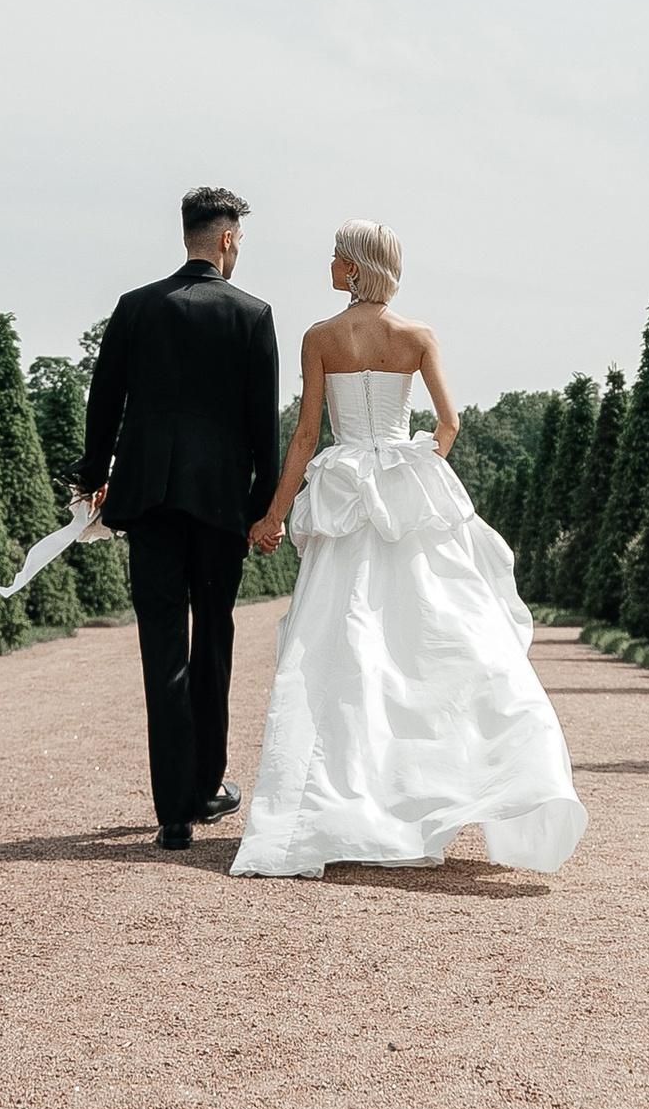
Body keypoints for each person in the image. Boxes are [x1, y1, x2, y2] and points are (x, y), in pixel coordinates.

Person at [229, 217, 588, 881]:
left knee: (337, 653)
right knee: (427, 643)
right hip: (402, 483)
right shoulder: (417, 336)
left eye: (338, 256)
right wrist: (422, 465)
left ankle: (339, 807)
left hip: (342, 494)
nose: (330, 263)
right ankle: (425, 793)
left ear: (358, 268)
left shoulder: (320, 337)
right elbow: (449, 422)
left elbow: (307, 435)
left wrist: (274, 515)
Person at [76, 188, 281, 851]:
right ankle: (205, 786)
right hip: (220, 504)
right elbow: (262, 426)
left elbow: (103, 403)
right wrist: (264, 506)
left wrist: (93, 477)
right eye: (240, 239)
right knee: (212, 643)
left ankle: (172, 811)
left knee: (161, 647)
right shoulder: (253, 314)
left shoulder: (136, 307)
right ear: (225, 239)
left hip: (151, 501)